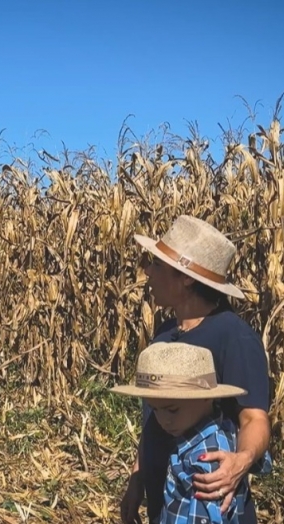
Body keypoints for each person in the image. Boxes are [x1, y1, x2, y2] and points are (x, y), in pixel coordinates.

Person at [120, 215, 271, 524]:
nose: (147, 272)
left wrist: (239, 462)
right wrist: (138, 477)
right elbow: (154, 413)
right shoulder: (165, 331)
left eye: (158, 265)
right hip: (167, 506)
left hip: (207, 507)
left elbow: (254, 418)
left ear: (186, 278)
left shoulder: (234, 337)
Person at [111, 341, 271, 524]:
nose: (163, 420)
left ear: (206, 398)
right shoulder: (213, 432)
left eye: (172, 410)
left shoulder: (206, 458)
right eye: (154, 409)